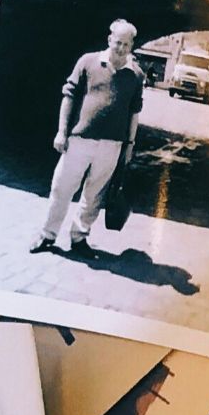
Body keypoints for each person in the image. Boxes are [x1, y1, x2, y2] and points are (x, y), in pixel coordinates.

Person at [34, 20, 143, 256]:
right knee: (62, 188)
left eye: (126, 44)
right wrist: (62, 131)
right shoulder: (88, 62)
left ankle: (79, 237)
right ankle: (47, 235)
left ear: (132, 45)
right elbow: (69, 96)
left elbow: (134, 112)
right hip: (80, 140)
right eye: (118, 43)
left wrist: (130, 145)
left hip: (112, 145)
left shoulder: (135, 75)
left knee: (94, 194)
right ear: (109, 40)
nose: (121, 48)